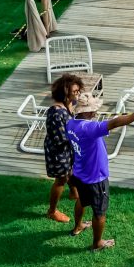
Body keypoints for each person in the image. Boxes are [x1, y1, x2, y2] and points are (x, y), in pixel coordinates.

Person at [66, 92, 134, 250]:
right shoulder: (90, 128)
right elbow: (116, 122)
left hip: (80, 173)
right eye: (94, 109)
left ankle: (78, 226)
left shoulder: (70, 124)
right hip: (96, 178)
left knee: (82, 200)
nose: (96, 111)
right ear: (88, 112)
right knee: (99, 212)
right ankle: (97, 243)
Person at [44, 73, 84, 223]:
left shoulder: (68, 106)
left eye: (78, 90)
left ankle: (74, 193)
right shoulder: (56, 113)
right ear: (65, 92)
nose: (78, 94)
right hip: (58, 151)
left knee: (70, 171)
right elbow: (60, 138)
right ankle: (52, 211)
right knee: (61, 179)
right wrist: (81, 136)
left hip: (67, 149)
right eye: (75, 91)